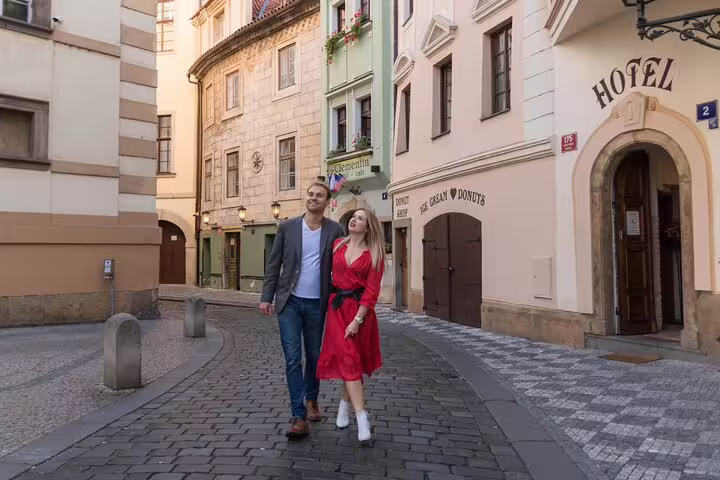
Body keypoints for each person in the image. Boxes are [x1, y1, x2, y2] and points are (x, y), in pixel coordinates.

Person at [260, 182, 345, 440]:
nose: (313, 198)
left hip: (317, 304)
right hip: (290, 302)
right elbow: (274, 264)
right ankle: (298, 416)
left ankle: (312, 400)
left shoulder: (335, 229)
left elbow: (342, 266)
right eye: (310, 194)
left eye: (319, 195)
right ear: (305, 198)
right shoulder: (287, 227)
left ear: (327, 201)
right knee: (292, 358)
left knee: (314, 355)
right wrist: (267, 297)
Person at [316, 208, 385, 445]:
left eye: (361, 218)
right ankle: (361, 416)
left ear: (369, 227)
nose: (355, 220)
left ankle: (345, 405)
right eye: (354, 217)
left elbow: (372, 291)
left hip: (360, 313)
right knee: (348, 358)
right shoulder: (337, 245)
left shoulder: (374, 254)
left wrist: (357, 320)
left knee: (351, 360)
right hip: (336, 309)